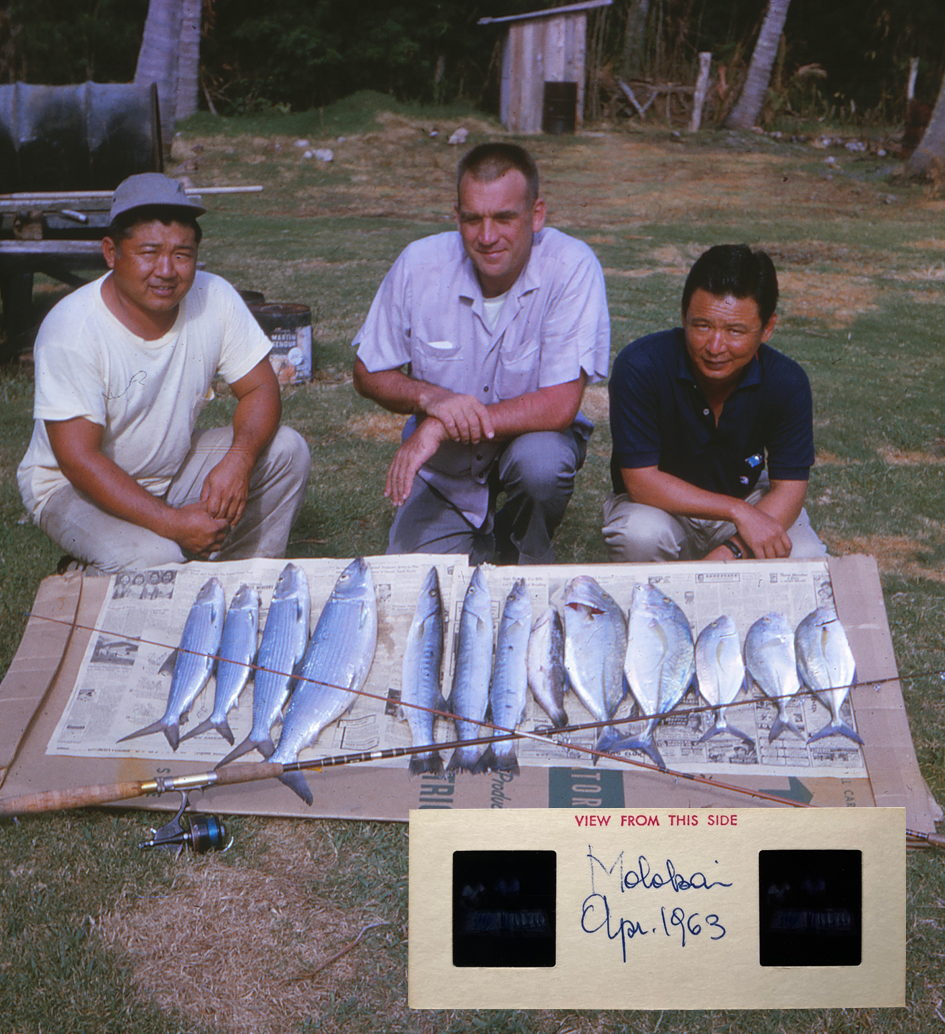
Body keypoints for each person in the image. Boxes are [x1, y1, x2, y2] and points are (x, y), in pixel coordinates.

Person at [17, 172, 311, 573]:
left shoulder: (215, 297)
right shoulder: (72, 329)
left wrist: (239, 459)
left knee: (286, 451)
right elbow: (78, 459)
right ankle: (87, 575)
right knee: (157, 557)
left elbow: (261, 387)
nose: (166, 270)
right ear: (110, 252)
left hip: (168, 470)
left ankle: (236, 583)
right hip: (70, 488)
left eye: (182, 254)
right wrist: (174, 524)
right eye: (149, 252)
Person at [352, 142, 610, 565]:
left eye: (505, 218)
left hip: (529, 442)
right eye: (473, 219)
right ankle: (474, 529)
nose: (487, 237)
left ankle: (522, 540)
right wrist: (431, 399)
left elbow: (560, 405)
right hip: (446, 469)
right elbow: (368, 371)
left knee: (542, 464)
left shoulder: (572, 266)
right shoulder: (419, 263)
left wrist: (438, 427)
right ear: (456, 216)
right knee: (414, 584)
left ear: (537, 214)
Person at [603, 244, 825, 562]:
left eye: (735, 330)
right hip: (661, 506)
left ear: (768, 328)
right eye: (702, 326)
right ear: (683, 315)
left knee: (805, 556)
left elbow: (789, 490)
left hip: (746, 498)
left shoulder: (787, 382)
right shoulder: (642, 365)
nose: (715, 346)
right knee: (640, 535)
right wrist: (737, 512)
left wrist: (733, 549)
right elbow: (641, 483)